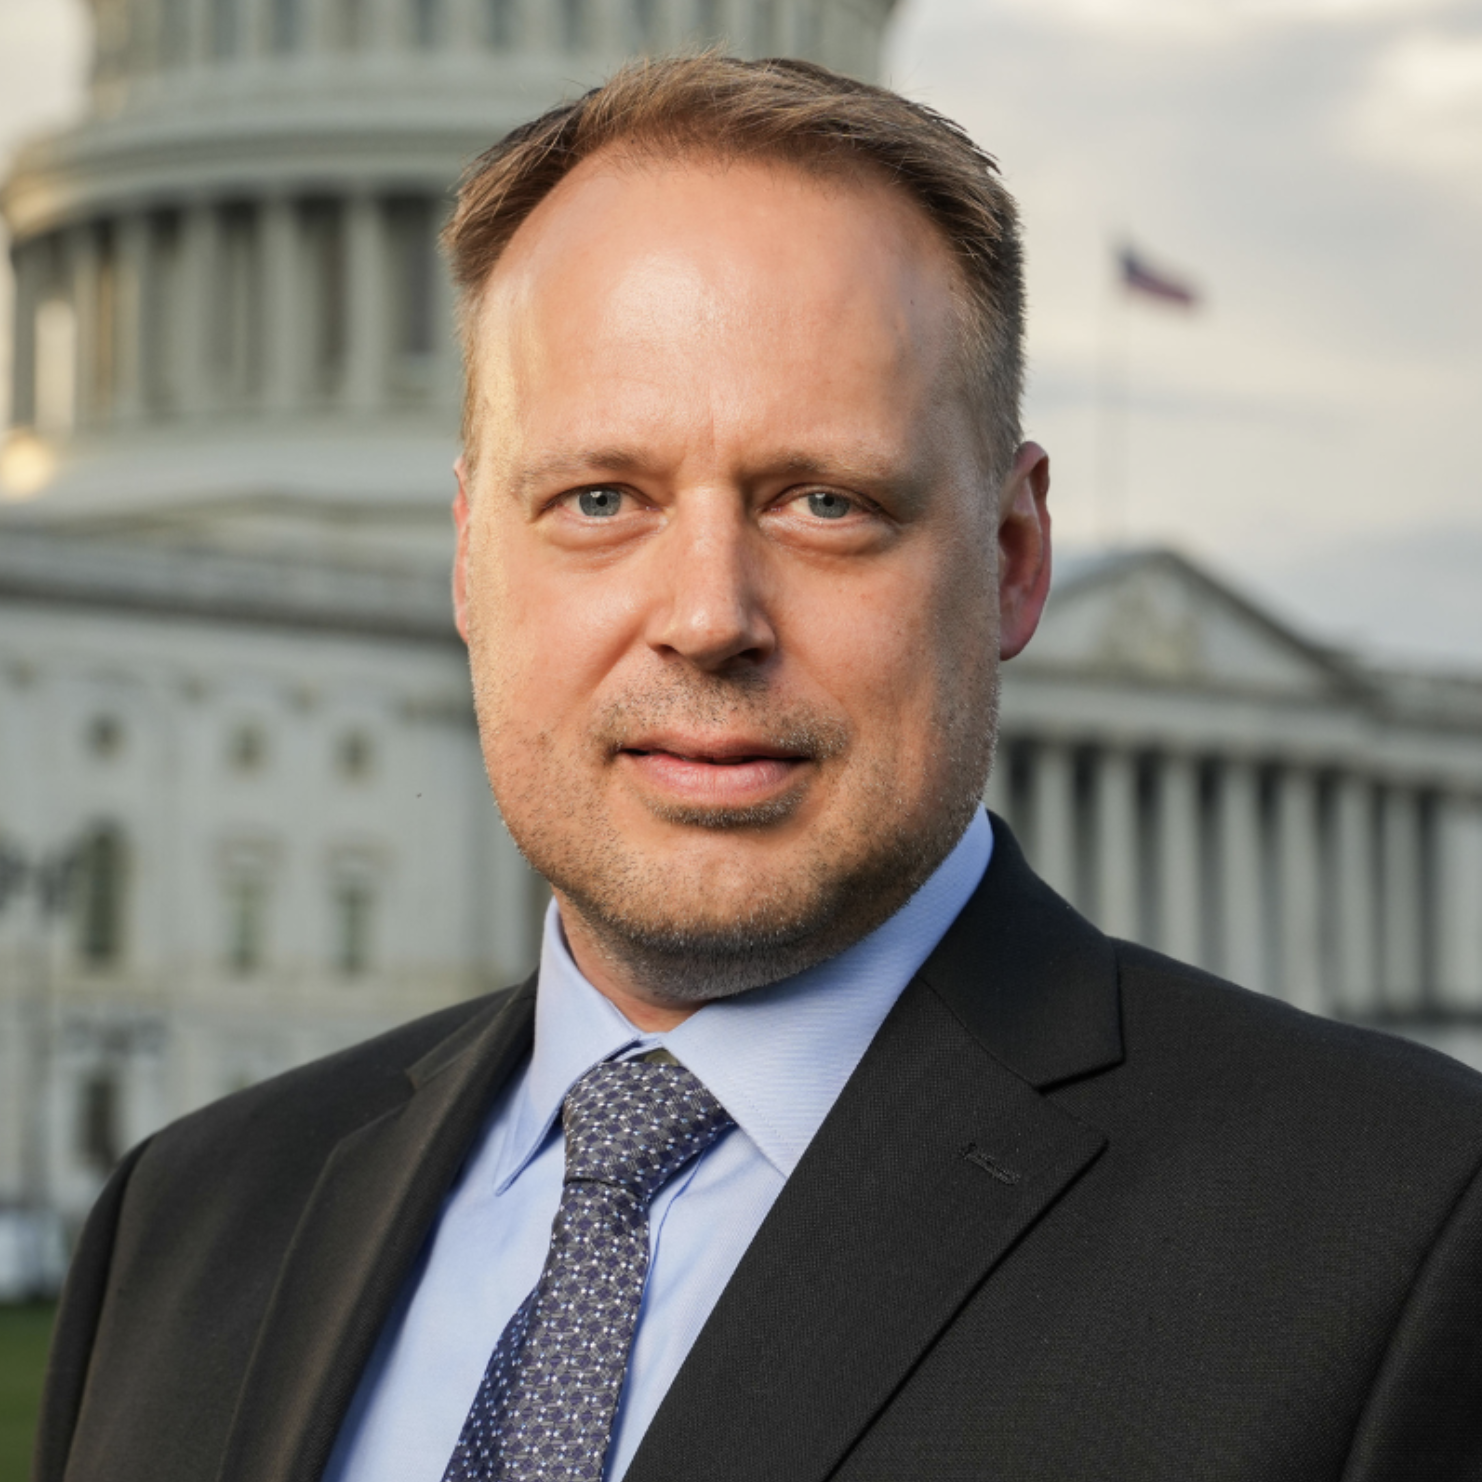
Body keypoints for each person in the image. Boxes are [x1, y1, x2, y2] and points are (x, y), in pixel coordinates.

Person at [35, 56, 1482, 1482]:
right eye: (600, 499)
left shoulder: (1397, 1231)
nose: (708, 616)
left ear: (1010, 556)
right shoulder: (189, 1222)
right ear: (469, 554)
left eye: (824, 502)